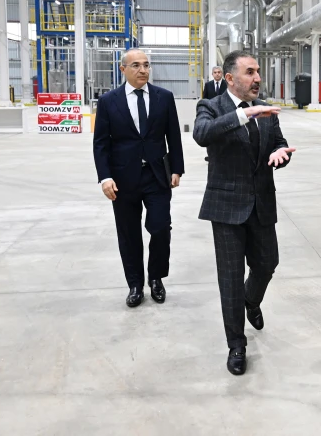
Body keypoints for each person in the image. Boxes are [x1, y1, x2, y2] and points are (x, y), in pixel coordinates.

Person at [193, 50, 296, 376]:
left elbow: (278, 142)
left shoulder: (266, 109)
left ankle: (252, 300)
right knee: (230, 278)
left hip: (261, 202)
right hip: (226, 207)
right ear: (229, 78)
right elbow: (201, 134)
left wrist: (281, 153)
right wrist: (243, 115)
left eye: (258, 72)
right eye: (250, 72)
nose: (257, 78)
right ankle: (236, 344)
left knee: (267, 263)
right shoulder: (211, 106)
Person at [93, 49, 185, 308]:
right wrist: (105, 177)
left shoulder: (163, 97)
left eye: (146, 65)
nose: (143, 70)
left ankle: (156, 278)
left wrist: (176, 169)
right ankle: (135, 284)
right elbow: (101, 143)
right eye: (136, 65)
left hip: (157, 176)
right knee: (128, 233)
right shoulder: (108, 101)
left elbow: (173, 136)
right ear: (123, 69)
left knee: (160, 228)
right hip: (123, 179)